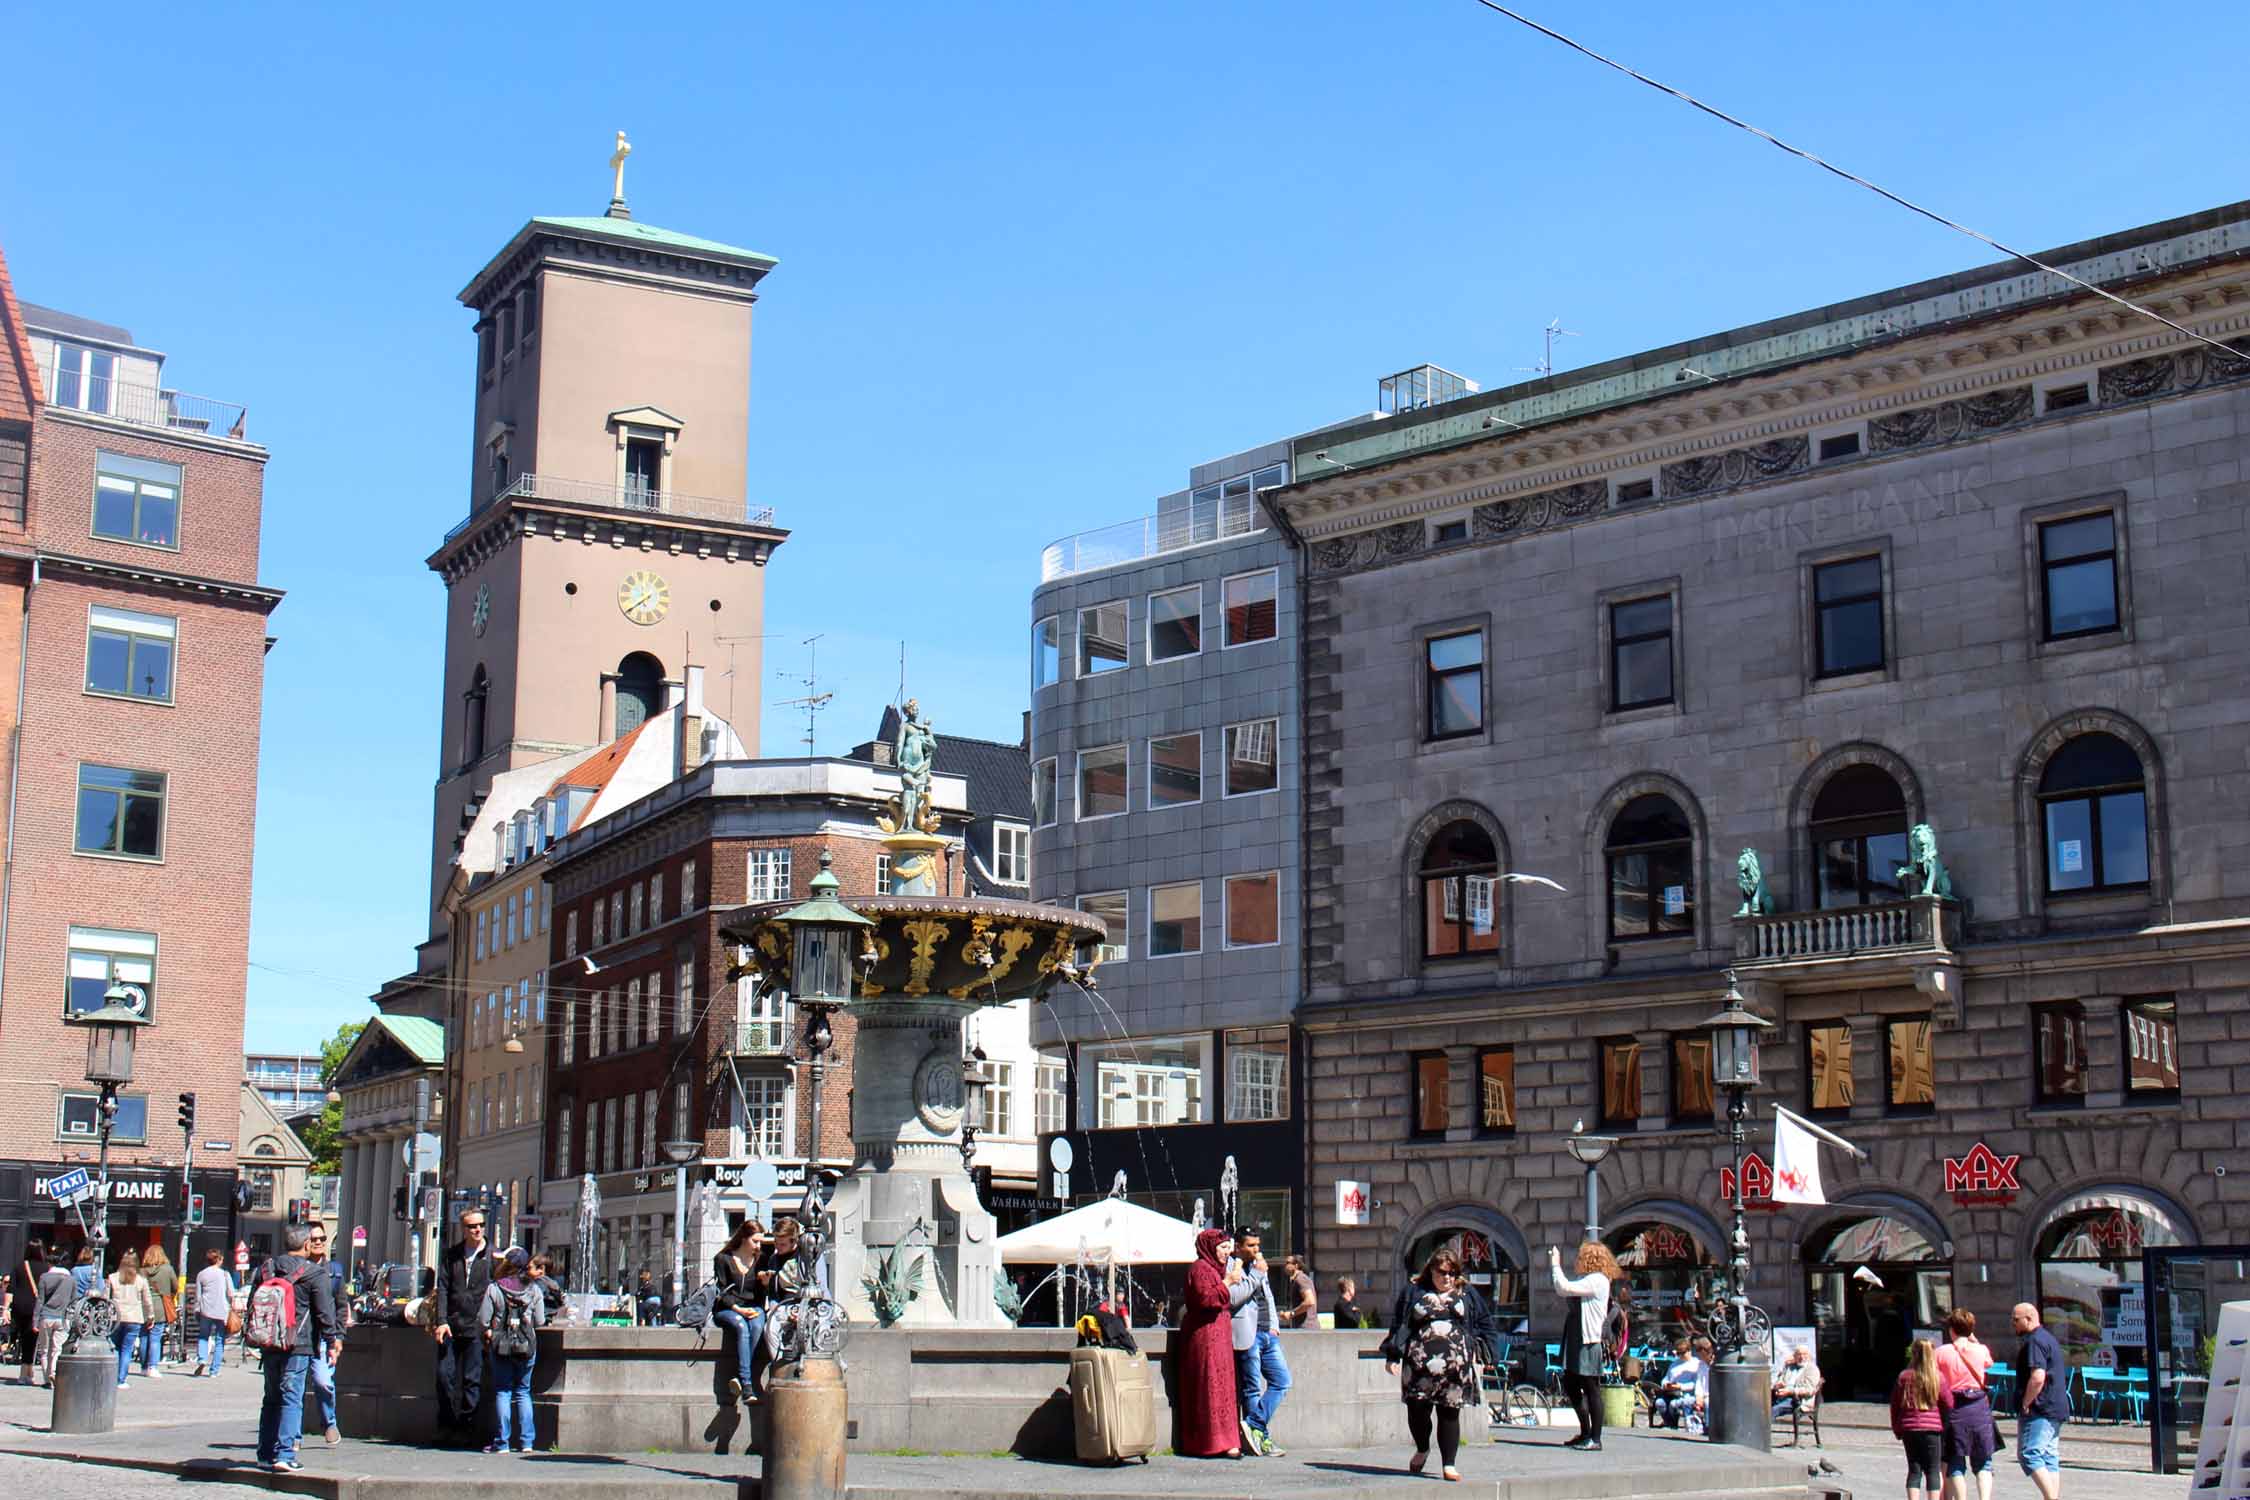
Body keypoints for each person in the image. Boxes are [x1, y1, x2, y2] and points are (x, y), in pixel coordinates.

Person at [1381, 1250, 1490, 1483]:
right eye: (1442, 1273)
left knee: (1449, 1413)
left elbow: (1484, 1322)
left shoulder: (1466, 1292)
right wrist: (1392, 1355)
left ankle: (1449, 1464)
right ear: (1431, 1270)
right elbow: (1399, 1323)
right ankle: (1422, 1448)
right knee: (1417, 1412)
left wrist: (1487, 1355)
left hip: (1455, 1367)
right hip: (1418, 1366)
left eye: (1452, 1273)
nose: (1448, 1278)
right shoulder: (1414, 1291)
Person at [253, 1224, 342, 1473]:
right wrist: (331, 1342)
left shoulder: (266, 1268)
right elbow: (325, 1313)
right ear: (305, 1245)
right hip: (299, 1344)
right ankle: (285, 1454)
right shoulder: (315, 1273)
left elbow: (253, 1302)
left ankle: (265, 1452)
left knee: (270, 1398)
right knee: (292, 1398)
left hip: (270, 1343)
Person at [1178, 1229, 1242, 1458]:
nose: (1228, 1252)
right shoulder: (1200, 1268)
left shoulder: (1215, 1269)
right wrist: (1228, 1282)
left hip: (1219, 1334)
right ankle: (1209, 1442)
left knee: (1223, 1386)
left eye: (1229, 1247)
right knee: (1210, 1385)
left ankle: (1228, 1441)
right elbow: (1206, 1298)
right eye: (1223, 1247)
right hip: (1204, 1336)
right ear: (1209, 1247)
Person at [1227, 1230, 1292, 1457]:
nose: (1256, 1249)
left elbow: (1269, 1296)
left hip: (1268, 1333)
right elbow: (1233, 1297)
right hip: (1248, 1332)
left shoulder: (1259, 1265)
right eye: (1251, 1245)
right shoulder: (1230, 1266)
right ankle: (1259, 1439)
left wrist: (1274, 1325)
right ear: (1238, 1246)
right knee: (1252, 1388)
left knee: (1282, 1380)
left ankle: (1254, 1424)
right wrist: (1255, 1274)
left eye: (1258, 1245)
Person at [1550, 1241, 1619, 1451]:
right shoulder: (1587, 1279)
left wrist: (1555, 1264)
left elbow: (1564, 1288)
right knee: (1571, 1384)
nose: (1578, 1260)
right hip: (1575, 1337)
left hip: (1587, 1339)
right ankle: (1585, 1432)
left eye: (1581, 1257)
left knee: (1590, 1387)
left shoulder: (1597, 1280)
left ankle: (1595, 1438)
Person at [434, 1211, 495, 1444]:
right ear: (463, 1228)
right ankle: (446, 1424)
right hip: (451, 1324)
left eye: (480, 1225)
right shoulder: (452, 1255)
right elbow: (442, 1289)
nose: (477, 1230)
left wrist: (490, 1324)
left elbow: (497, 1291)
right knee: (443, 1376)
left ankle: (467, 1428)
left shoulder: (492, 1256)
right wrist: (441, 1320)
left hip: (477, 1326)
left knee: (472, 1380)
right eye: (472, 1226)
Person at [478, 1247, 543, 1454]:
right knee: (523, 1392)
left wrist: (489, 1331)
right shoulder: (534, 1289)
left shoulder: (494, 1288)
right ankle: (527, 1442)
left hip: (501, 1346)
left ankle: (502, 1442)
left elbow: (483, 1320)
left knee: (503, 1391)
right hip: (526, 1346)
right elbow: (540, 1321)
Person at [1935, 1308, 1999, 1500]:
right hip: (1979, 1407)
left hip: (1954, 1408)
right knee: (1984, 1463)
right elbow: (1988, 1363)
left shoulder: (1941, 1352)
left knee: (1955, 1461)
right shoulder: (1981, 1350)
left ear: (1951, 1329)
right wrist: (1972, 1338)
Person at [2012, 1302, 2068, 1500]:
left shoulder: (2035, 1340)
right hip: (2054, 1406)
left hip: (2040, 1407)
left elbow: (2037, 1377)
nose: (2013, 1324)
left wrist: (2026, 1402)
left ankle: (2051, 1497)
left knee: (2030, 1454)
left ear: (2029, 1318)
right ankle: (2051, 1497)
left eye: (2016, 1319)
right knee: (2048, 1456)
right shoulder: (2048, 1338)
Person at [711, 1221, 765, 1403]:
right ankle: (748, 1386)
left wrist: (765, 1283)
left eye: (760, 1242)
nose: (758, 1246)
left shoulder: (761, 1260)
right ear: (743, 1238)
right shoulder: (723, 1259)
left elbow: (764, 1293)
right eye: (755, 1241)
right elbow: (721, 1292)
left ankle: (737, 1376)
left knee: (757, 1326)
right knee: (742, 1327)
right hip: (728, 1309)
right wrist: (738, 1309)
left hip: (753, 1306)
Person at [305, 1225, 347, 1445]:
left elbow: (341, 1305)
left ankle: (329, 1422)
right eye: (314, 1239)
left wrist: (339, 1335)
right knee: (295, 1385)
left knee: (323, 1382)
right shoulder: (298, 1268)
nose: (319, 1242)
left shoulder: (335, 1270)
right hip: (300, 1336)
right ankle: (293, 1434)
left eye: (322, 1238)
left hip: (324, 1337)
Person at [1891, 1338, 1946, 1500]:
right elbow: (1948, 1402)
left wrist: (1897, 1428)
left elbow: (1895, 1405)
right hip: (1932, 1429)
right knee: (1933, 1470)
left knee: (1914, 1470)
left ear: (1913, 1354)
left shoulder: (1904, 1377)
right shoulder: (1937, 1377)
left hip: (1909, 1429)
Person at [106, 1250, 158, 1389]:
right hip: (134, 1318)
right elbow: (147, 1301)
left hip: (116, 1317)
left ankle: (111, 1377)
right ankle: (121, 1379)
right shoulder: (141, 1280)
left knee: (114, 1347)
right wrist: (150, 1316)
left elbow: (106, 1299)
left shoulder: (112, 1278)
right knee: (127, 1349)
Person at [35, 1247, 77, 1386]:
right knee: (57, 1348)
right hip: (62, 1318)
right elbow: (73, 1300)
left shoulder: (44, 1277)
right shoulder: (71, 1279)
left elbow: (40, 1300)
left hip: (46, 1316)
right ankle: (53, 1372)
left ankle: (47, 1379)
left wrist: (35, 1320)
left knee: (44, 1350)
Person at [193, 1249, 236, 1377]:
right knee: (219, 1339)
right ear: (218, 1259)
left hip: (206, 1309)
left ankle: (202, 1359)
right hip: (221, 1310)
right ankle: (214, 1371)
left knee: (203, 1335)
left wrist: (197, 1309)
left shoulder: (201, 1274)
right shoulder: (224, 1274)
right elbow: (230, 1293)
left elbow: (198, 1296)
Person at [1654, 1336, 1709, 1431]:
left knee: (1676, 1403)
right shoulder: (1674, 1364)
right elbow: (1666, 1378)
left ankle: (1691, 1424)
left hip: (1686, 1393)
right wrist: (1666, 1384)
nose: (1680, 1356)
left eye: (1682, 1353)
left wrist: (1680, 1386)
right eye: (1678, 1353)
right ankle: (1670, 1423)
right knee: (1659, 1403)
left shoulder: (1696, 1364)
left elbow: (1697, 1384)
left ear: (1689, 1351)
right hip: (1671, 1393)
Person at [141, 1245, 178, 1377]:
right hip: (161, 1306)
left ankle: (144, 1366)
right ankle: (153, 1367)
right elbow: (175, 1286)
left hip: (144, 1307)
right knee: (156, 1337)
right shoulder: (168, 1269)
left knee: (144, 1336)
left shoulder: (142, 1271)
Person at [14, 1246, 44, 1386]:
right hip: (35, 1306)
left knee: (23, 1338)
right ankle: (27, 1372)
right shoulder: (46, 1269)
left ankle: (24, 1372)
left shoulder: (20, 1266)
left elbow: (11, 1288)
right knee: (32, 1339)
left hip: (20, 1306)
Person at [1771, 1343, 1822, 1423]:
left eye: (1804, 1354)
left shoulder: (1812, 1369)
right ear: (1794, 1356)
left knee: (1772, 1411)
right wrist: (1778, 1386)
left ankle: (1761, 1433)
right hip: (1781, 1395)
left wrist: (1790, 1391)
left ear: (1809, 1356)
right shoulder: (1790, 1367)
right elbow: (1780, 1380)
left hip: (1798, 1400)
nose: (1802, 1357)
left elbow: (1809, 1390)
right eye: (1799, 1354)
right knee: (1762, 1406)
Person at [1280, 1255, 1317, 1328]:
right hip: (1302, 1327)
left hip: (1307, 1328)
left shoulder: (1301, 1279)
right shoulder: (1296, 1280)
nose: (1285, 1265)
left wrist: (1291, 1313)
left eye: (1288, 1263)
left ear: (1296, 1266)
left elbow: (1309, 1301)